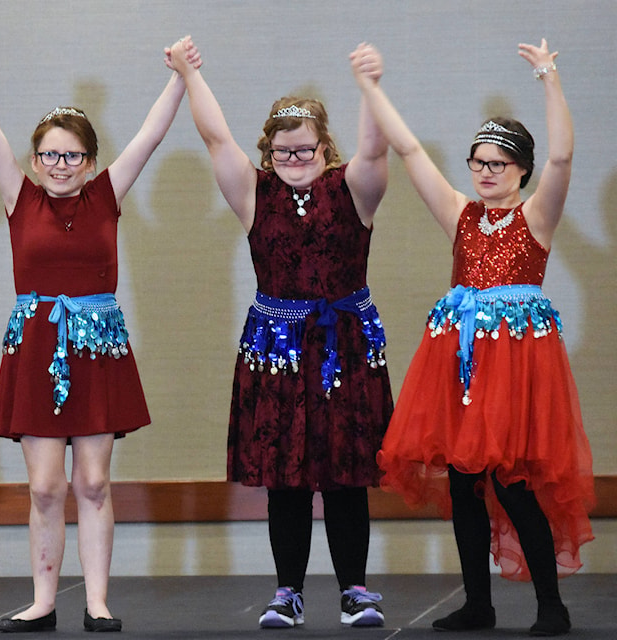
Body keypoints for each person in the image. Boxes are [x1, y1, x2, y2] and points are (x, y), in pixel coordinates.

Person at [0, 29, 200, 633]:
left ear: (90, 161)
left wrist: (179, 77)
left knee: (93, 479)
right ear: (36, 162)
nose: (61, 166)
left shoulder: (106, 196)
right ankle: (42, 601)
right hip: (36, 347)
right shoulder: (19, 197)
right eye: (51, 156)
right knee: (47, 487)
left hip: (95, 347)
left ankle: (98, 600)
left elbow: (150, 137)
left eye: (73, 156)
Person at [351, 40, 595, 636]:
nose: (485, 173)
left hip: (514, 365)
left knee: (511, 483)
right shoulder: (460, 214)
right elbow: (408, 150)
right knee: (463, 485)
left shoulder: (535, 216)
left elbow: (562, 158)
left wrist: (548, 76)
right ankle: (478, 605)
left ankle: (551, 608)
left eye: (498, 165)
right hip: (459, 363)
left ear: (521, 172)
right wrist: (370, 88)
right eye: (478, 163)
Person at [168, 39, 393, 629]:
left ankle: (356, 590)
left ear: (325, 147)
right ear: (269, 151)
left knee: (345, 476)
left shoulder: (354, 190)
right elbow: (218, 138)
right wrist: (191, 72)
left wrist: (370, 86)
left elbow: (377, 145)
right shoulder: (254, 194)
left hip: (342, 347)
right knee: (286, 479)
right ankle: (287, 592)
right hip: (278, 351)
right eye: (281, 150)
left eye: (304, 149)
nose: (293, 158)